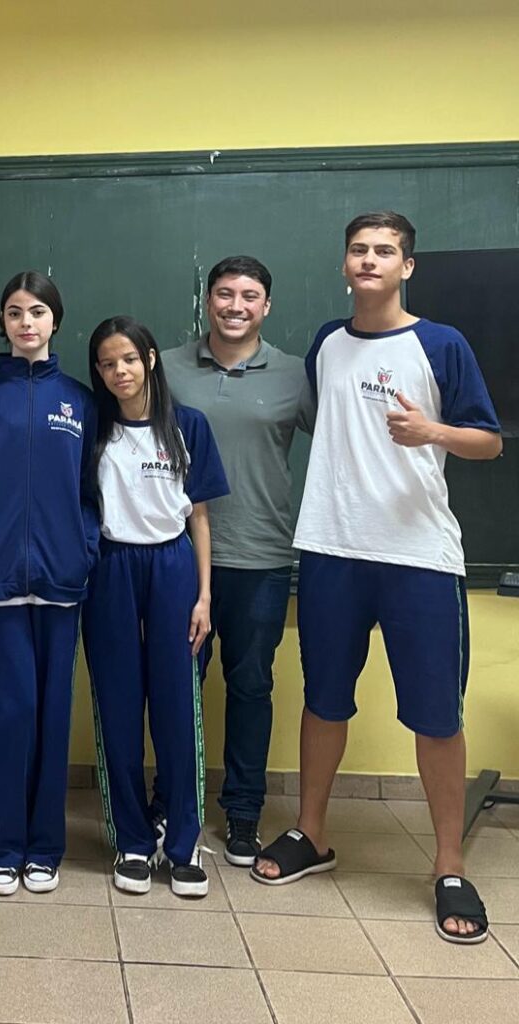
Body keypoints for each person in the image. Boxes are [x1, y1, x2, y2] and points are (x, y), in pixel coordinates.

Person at [253, 212, 503, 947]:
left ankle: (449, 865)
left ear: (407, 266)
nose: (370, 260)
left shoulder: (440, 344)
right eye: (359, 250)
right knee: (325, 700)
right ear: (344, 265)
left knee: (435, 715)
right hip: (331, 549)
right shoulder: (327, 343)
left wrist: (434, 432)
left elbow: (487, 441)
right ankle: (311, 835)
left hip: (419, 557)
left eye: (385, 251)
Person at [0, 271, 99, 896]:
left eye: (37, 312)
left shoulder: (81, 401)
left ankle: (44, 848)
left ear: (55, 320)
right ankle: (3, 846)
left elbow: (90, 492)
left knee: (52, 716)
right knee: (7, 716)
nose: (25, 322)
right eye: (13, 313)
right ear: (1, 324)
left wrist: (82, 551)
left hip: (62, 582)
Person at [162, 256, 314, 867]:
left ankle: (244, 813)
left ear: (266, 306)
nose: (235, 306)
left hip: (262, 556)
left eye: (249, 295)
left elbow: (344, 443)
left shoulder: (297, 375)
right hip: (175, 555)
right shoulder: (165, 368)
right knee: (178, 685)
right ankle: (174, 800)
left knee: (251, 685)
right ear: (207, 300)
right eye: (224, 294)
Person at [82, 316, 229, 898]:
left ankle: (184, 841)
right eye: (106, 363)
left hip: (172, 568)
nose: (119, 372)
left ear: (149, 359)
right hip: (111, 568)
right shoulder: (94, 429)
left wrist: (203, 595)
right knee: (118, 709)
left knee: (177, 704)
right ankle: (133, 841)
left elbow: (199, 517)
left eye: (127, 359)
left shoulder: (187, 425)